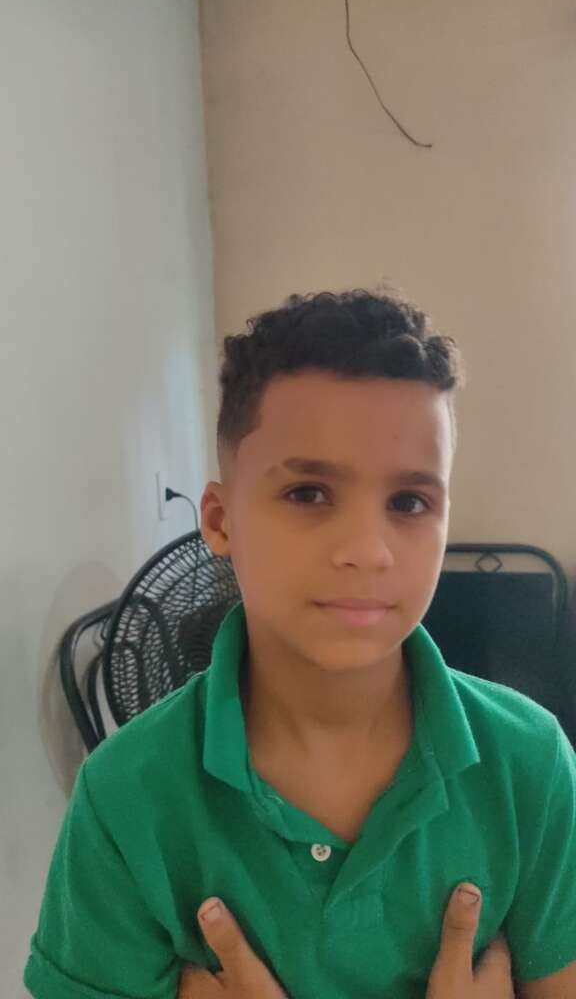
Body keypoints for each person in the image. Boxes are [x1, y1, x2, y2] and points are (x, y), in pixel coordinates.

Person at [23, 289, 576, 998]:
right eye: (309, 493)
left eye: (409, 502)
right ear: (219, 520)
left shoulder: (529, 766)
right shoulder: (127, 798)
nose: (368, 550)